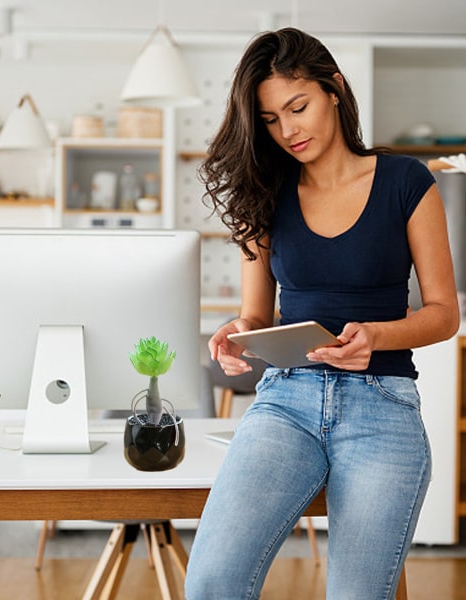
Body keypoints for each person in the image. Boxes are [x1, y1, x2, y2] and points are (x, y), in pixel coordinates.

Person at [185, 27, 460, 600]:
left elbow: (443, 314)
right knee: (212, 581)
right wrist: (238, 336)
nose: (287, 131)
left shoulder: (406, 181)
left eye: (298, 107)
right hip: (286, 400)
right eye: (269, 119)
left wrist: (377, 335)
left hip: (382, 404)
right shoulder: (262, 191)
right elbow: (255, 316)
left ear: (333, 88)